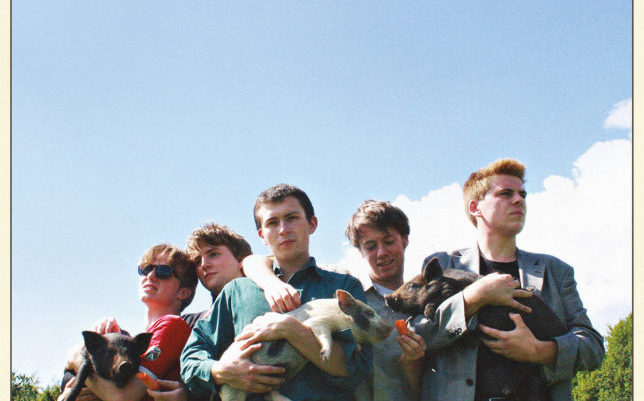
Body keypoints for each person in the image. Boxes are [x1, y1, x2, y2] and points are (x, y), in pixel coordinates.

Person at [414, 158, 605, 401]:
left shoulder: (556, 271)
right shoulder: (443, 266)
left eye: (522, 194)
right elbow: (419, 334)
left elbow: (592, 347)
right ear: (475, 207)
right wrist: (473, 298)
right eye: (505, 193)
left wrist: (541, 351)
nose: (518, 200)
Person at [180, 184, 372, 401]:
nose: (283, 229)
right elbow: (191, 359)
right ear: (261, 235)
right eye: (272, 222)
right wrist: (219, 371)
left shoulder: (343, 287)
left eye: (292, 218)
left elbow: (358, 368)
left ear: (312, 224)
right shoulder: (237, 292)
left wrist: (293, 330)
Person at [244, 200, 428, 400]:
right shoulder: (345, 292)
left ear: (405, 240)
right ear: (359, 250)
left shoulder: (424, 304)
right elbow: (256, 261)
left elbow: (427, 386)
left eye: (389, 241)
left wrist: (413, 364)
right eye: (370, 246)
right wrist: (270, 283)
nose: (381, 253)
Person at [58, 244, 198, 401]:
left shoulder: (173, 326)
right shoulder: (130, 341)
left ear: (183, 292)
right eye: (145, 269)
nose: (150, 275)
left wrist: (75, 357)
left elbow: (122, 398)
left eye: (163, 272)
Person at [182, 222, 252, 328]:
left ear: (241, 257)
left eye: (213, 254)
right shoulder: (187, 323)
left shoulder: (272, 298)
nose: (204, 265)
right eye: (197, 261)